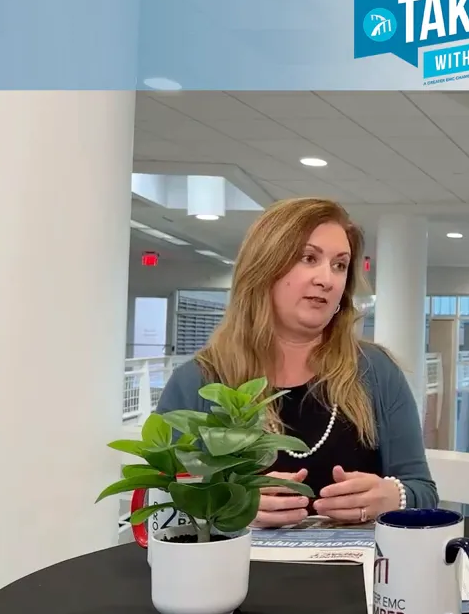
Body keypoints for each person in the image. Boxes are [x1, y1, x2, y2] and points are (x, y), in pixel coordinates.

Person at [156, 197, 438, 527]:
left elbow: (423, 491)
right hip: (236, 575)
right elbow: (162, 504)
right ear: (265, 266)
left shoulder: (376, 371)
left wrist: (393, 497)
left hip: (354, 576)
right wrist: (228, 506)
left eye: (339, 265)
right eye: (309, 258)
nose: (327, 279)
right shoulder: (198, 381)